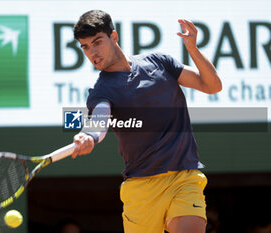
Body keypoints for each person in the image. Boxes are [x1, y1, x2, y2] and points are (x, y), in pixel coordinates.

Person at [71, 10, 222, 233]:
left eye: (97, 42)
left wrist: (193, 50)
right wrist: (89, 135)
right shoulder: (101, 91)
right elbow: (99, 120)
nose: (92, 52)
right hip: (141, 189)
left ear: (114, 37)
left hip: (184, 178)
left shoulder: (159, 62)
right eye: (85, 47)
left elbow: (212, 86)